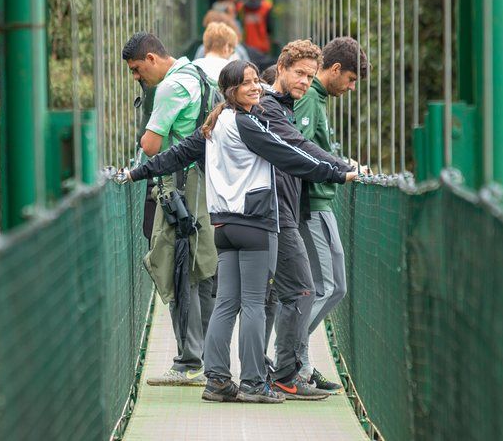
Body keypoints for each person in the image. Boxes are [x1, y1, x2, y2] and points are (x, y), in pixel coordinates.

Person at [120, 39, 356, 400]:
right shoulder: (250, 124)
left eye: (256, 84)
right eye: (249, 84)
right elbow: (290, 153)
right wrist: (337, 171)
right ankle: (254, 381)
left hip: (221, 224)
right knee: (258, 303)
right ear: (234, 90)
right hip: (257, 223)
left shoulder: (213, 124)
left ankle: (216, 380)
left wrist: (138, 173)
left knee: (228, 302)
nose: (256, 89)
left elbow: (177, 154)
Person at [122, 32, 217, 386]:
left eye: (136, 70)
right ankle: (205, 354)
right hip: (204, 183)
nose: (136, 78)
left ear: (150, 59)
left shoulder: (169, 88)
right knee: (201, 266)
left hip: (179, 185)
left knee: (176, 268)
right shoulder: (197, 75)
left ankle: (189, 361)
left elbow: (150, 146)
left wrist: (148, 108)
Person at [294, 37, 370, 393]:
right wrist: (340, 169)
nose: (352, 88)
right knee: (325, 287)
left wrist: (345, 163)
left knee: (332, 287)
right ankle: (288, 362)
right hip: (312, 204)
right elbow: (301, 152)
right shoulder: (310, 97)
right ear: (336, 69)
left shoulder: (317, 99)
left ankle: (301, 364)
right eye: (351, 80)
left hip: (322, 202)